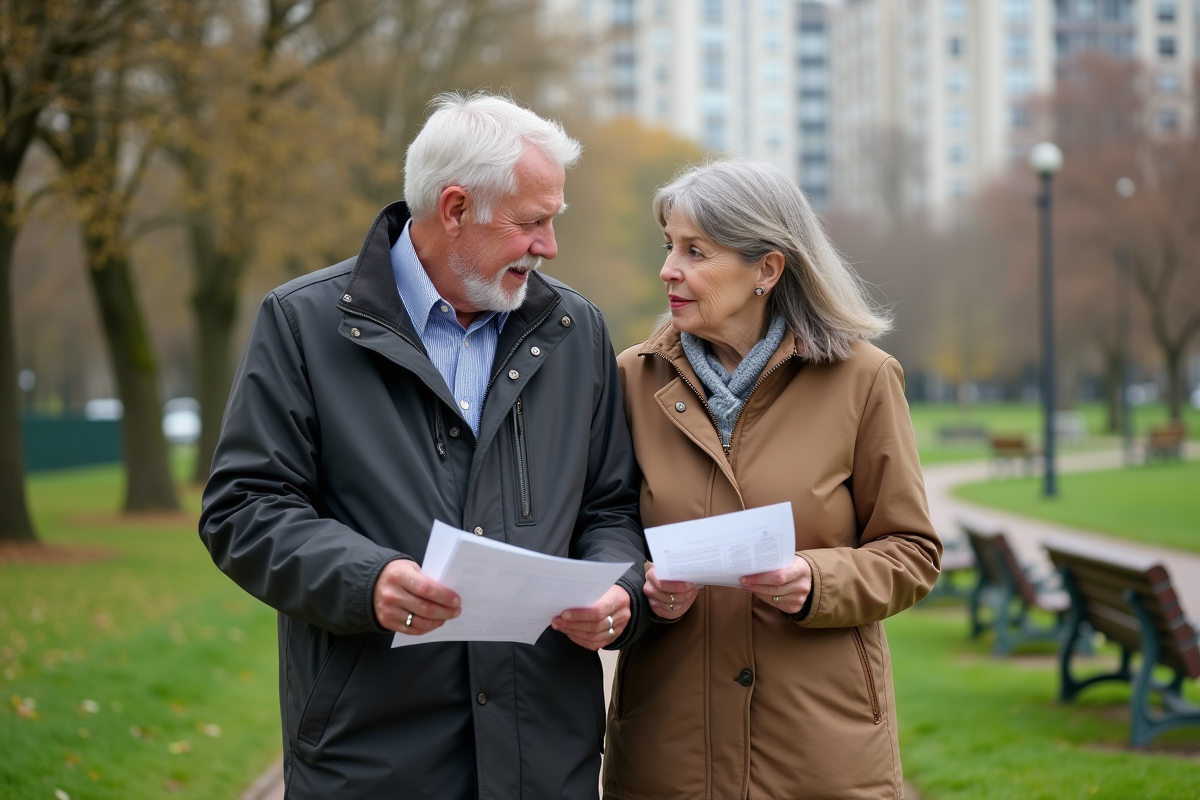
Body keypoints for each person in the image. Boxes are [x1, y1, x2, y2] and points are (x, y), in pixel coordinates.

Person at [199, 93, 649, 800]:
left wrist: (616, 592)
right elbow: (243, 510)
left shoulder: (576, 330)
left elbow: (612, 507)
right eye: (533, 223)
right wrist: (366, 579)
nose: (550, 247)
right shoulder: (302, 325)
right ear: (456, 208)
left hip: (545, 762)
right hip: (372, 760)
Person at [602, 161, 941, 800]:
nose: (669, 269)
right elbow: (605, 526)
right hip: (667, 754)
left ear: (768, 269)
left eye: (695, 251)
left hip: (820, 752)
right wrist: (641, 588)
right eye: (668, 247)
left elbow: (913, 553)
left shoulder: (864, 379)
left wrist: (818, 580)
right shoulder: (629, 380)